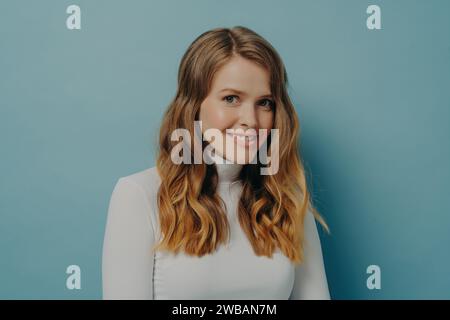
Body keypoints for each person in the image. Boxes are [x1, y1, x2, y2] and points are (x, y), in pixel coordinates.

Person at [102, 26, 330, 299]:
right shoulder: (138, 195)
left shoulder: (288, 200)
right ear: (194, 106)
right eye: (231, 99)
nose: (251, 120)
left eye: (265, 102)